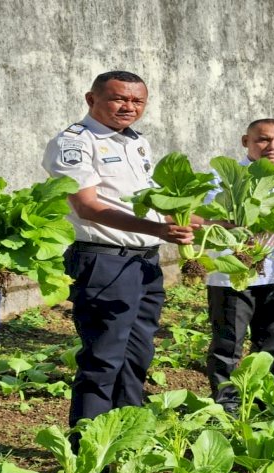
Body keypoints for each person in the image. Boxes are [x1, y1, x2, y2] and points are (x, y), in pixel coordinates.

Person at [41, 71, 195, 431]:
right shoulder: (74, 143)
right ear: (91, 99)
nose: (129, 107)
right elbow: (87, 207)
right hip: (104, 261)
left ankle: (125, 436)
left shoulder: (136, 142)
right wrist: (158, 229)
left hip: (145, 264)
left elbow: (157, 204)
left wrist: (219, 222)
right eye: (118, 99)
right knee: (103, 358)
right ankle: (89, 444)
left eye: (137, 101)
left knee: (138, 355)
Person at [204, 119, 274, 414]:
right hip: (233, 272)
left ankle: (262, 396)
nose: (273, 147)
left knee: (271, 341)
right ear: (246, 141)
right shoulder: (224, 178)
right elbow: (205, 218)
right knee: (229, 341)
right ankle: (226, 402)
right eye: (263, 140)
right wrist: (241, 225)